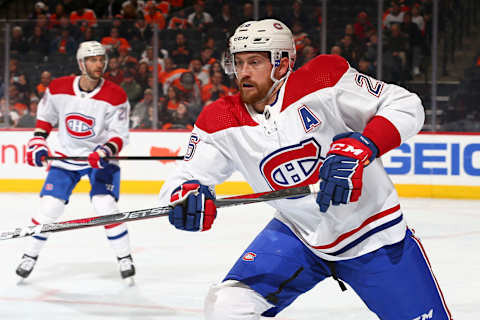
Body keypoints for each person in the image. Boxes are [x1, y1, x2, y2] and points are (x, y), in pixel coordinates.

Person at [158, 19, 452, 319]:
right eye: (239, 62)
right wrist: (185, 195)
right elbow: (185, 177)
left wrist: (363, 146)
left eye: (255, 62)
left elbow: (406, 105)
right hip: (298, 235)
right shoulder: (219, 118)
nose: (243, 72)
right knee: (228, 307)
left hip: (374, 235)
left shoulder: (323, 79)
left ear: (282, 64)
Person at [16, 41, 136, 285]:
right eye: (93, 60)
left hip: (99, 160)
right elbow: (45, 119)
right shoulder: (58, 88)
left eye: (102, 59)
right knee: (50, 208)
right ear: (81, 63)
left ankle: (125, 257)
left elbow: (119, 134)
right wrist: (38, 142)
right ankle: (30, 254)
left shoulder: (116, 95)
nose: (99, 64)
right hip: (65, 157)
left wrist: (105, 150)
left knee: (104, 206)